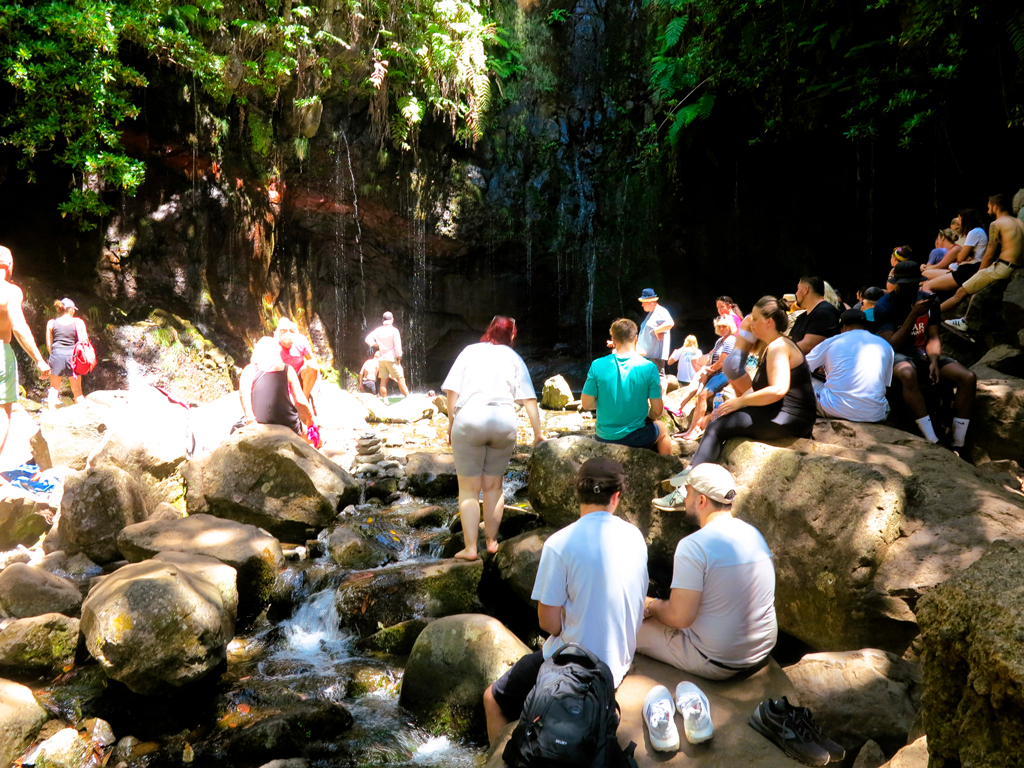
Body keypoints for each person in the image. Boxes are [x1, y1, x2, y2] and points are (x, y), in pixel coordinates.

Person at [482, 458, 648, 743]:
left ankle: (502, 757)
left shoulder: (560, 544)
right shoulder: (635, 536)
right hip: (620, 660)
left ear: (577, 493)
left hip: (576, 667)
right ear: (617, 496)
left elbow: (548, 624)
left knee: (492, 699)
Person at [640, 464, 776, 680]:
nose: (684, 499)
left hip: (719, 660)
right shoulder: (754, 533)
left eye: (688, 492)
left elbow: (679, 617)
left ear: (701, 500)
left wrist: (650, 605)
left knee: (626, 624)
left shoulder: (693, 546)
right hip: (761, 651)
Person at [657, 296, 816, 471]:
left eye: (755, 319)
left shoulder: (778, 347)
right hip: (785, 414)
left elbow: (778, 389)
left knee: (717, 427)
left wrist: (739, 402)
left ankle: (690, 480)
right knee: (717, 419)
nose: (750, 323)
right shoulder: (773, 345)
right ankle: (695, 476)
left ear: (769, 322)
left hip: (790, 418)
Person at [442, 316, 545, 561]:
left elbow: (451, 391)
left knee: (468, 490)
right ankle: (491, 541)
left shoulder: (469, 351)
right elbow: (529, 399)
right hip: (503, 421)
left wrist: (451, 422)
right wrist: (538, 433)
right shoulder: (514, 358)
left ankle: (469, 549)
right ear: (511, 336)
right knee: (494, 487)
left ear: (489, 330)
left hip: (470, 419)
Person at [874, 260, 976, 452]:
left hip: (923, 354)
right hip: (898, 355)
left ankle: (958, 442)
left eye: (916, 283)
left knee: (968, 377)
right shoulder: (884, 305)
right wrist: (913, 315)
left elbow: (933, 336)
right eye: (908, 284)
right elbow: (891, 345)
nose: (913, 287)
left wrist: (934, 361)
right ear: (899, 284)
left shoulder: (929, 300)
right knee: (907, 374)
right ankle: (931, 439)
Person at [581, 318, 672, 454]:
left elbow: (586, 404)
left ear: (613, 339)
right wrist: (646, 414)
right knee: (662, 428)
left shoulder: (597, 364)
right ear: (636, 338)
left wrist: (608, 404)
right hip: (635, 438)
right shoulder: (649, 367)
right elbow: (657, 411)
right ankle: (669, 468)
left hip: (603, 437)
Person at [943, 194, 1024, 334]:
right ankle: (966, 320)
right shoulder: (1019, 222)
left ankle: (930, 316)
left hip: (1002, 267)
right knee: (976, 292)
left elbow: (989, 254)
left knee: (960, 292)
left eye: (989, 208)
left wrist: (979, 272)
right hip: (1015, 266)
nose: (987, 212)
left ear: (995, 207)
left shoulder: (996, 224)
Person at [0, 247, 50, 457]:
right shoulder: (10, 291)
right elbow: (18, 326)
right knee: (2, 412)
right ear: (9, 265)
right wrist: (39, 360)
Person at [804, 309, 894, 422]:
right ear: (865, 326)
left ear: (844, 327)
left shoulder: (832, 341)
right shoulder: (885, 345)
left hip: (835, 409)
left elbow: (802, 367)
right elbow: (884, 383)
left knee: (803, 379)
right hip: (875, 414)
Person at [239, 336, 317, 442]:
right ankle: (316, 443)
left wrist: (250, 418)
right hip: (286, 422)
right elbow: (299, 399)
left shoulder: (249, 369)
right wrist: (311, 420)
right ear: (276, 352)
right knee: (308, 436)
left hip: (259, 420)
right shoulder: (286, 369)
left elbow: (244, 394)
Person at [676, 316, 737, 441]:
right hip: (716, 372)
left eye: (724, 326)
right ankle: (690, 429)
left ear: (730, 327)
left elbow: (723, 360)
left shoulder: (731, 340)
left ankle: (697, 429)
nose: (721, 328)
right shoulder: (720, 340)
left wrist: (710, 369)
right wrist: (706, 369)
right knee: (700, 396)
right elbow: (710, 357)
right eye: (719, 326)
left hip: (725, 372)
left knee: (702, 395)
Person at [921, 208, 989, 302]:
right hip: (964, 268)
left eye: (960, 220)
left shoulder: (974, 232)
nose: (959, 223)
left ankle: (931, 312)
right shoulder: (978, 231)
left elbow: (960, 258)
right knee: (925, 275)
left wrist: (962, 256)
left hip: (967, 270)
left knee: (926, 285)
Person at [45, 298, 87, 409]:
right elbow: (84, 341)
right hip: (73, 357)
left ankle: (51, 416)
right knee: (77, 390)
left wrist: (54, 356)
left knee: (54, 388)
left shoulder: (51, 323)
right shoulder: (78, 321)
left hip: (56, 355)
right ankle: (82, 416)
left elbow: (49, 345)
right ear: (71, 310)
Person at [790, 276, 842, 354]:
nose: (796, 293)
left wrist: (783, 352)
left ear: (805, 290)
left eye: (798, 289)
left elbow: (808, 346)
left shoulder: (824, 313)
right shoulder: (802, 317)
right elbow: (790, 339)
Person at [636, 288, 674, 393]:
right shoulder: (652, 313)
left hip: (655, 353)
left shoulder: (661, 311)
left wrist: (657, 330)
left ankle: (662, 400)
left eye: (643, 303)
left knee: (659, 376)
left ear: (650, 302)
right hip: (648, 353)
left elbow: (670, 323)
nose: (642, 305)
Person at [364, 311, 410, 397]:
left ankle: (385, 400)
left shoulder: (377, 330)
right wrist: (399, 356)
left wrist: (376, 345)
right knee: (400, 379)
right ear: (392, 320)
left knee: (383, 381)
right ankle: (408, 397)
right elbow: (397, 346)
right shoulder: (394, 331)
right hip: (392, 358)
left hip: (381, 358)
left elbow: (367, 339)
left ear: (382, 320)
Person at [275, 318, 320, 403]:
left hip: (299, 376)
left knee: (312, 365)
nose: (288, 345)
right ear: (279, 335)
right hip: (282, 378)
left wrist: (319, 383)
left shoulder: (301, 340)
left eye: (291, 331)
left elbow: (312, 360)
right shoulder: (273, 344)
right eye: (283, 331)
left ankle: (304, 399)